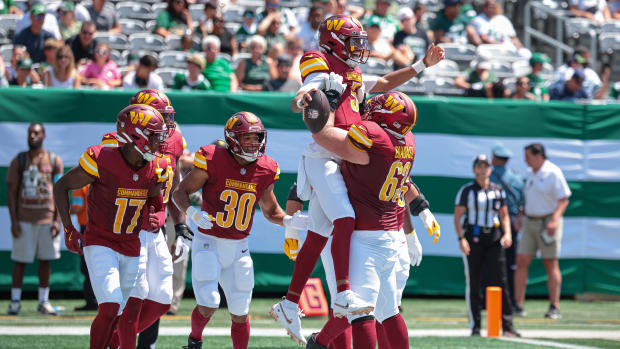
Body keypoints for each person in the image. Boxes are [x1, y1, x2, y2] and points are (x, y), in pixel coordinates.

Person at [270, 14, 444, 345]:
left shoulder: (352, 74)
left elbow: (383, 82)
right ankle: (335, 291)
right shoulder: (317, 60)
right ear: (334, 43)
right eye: (353, 42)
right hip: (326, 154)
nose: (359, 50)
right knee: (344, 221)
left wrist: (421, 65)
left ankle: (291, 303)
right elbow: (308, 90)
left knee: (321, 231)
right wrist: (301, 100)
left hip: (342, 156)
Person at [302, 91, 427, 348]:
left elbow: (323, 136)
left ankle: (320, 342)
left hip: (365, 237)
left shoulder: (375, 137)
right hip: (392, 236)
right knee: (389, 311)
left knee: (361, 311)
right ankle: (321, 341)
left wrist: (329, 107)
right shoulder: (409, 141)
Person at [173, 111, 308, 349]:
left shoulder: (265, 168)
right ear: (233, 138)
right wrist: (192, 213)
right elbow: (179, 192)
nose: (254, 143)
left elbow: (270, 210)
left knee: (240, 310)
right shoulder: (213, 158)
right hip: (209, 242)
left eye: (257, 137)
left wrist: (288, 221)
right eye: (247, 138)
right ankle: (194, 341)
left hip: (239, 248)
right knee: (209, 301)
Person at [53, 104, 169, 349]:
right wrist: (68, 228)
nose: (158, 142)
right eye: (153, 135)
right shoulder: (102, 157)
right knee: (111, 306)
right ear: (134, 135)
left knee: (119, 313)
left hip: (131, 245)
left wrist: (157, 215)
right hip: (100, 241)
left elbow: (157, 203)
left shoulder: (156, 166)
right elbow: (61, 186)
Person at [103, 89, 188, 349]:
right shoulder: (115, 142)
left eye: (165, 117)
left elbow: (173, 187)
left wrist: (181, 225)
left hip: (157, 226)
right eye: (159, 117)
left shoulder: (174, 138)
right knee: (133, 299)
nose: (165, 125)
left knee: (161, 297)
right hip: (129, 228)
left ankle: (115, 340)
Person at [453, 154, 520, 337]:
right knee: (474, 282)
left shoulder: (498, 190)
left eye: (486, 166)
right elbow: (458, 216)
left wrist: (507, 233)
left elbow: (504, 215)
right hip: (473, 238)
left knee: (500, 281)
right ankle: (475, 326)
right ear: (475, 169)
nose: (483, 170)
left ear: (490, 169)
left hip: (494, 238)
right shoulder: (467, 191)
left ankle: (507, 326)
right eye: (480, 166)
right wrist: (461, 238)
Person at [6, 122, 63, 316]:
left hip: (47, 218)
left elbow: (60, 192)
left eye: (36, 133)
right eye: (30, 133)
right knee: (20, 261)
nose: (32, 136)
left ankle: (43, 301)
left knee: (46, 261)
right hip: (24, 219)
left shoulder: (54, 160)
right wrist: (13, 220)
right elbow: (11, 193)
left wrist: (58, 220)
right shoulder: (19, 160)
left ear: (44, 135)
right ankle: (14, 302)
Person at [514, 143, 571, 320]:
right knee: (522, 260)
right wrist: (521, 216)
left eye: (528, 156)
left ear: (538, 155)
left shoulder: (553, 172)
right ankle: (518, 304)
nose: (525, 160)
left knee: (550, 262)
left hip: (548, 221)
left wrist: (554, 220)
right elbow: (530, 199)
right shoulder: (531, 173)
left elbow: (564, 199)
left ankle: (554, 306)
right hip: (530, 221)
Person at [489, 143, 524, 310]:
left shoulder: (489, 177)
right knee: (510, 264)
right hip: (511, 221)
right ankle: (510, 302)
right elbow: (523, 201)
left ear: (495, 158)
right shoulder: (516, 178)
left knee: (489, 262)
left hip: (492, 223)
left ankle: (487, 301)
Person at [71, 184, 98, 311]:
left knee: (87, 268)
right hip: (103, 228)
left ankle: (91, 301)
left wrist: (63, 208)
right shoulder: (101, 181)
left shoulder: (79, 186)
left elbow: (77, 207)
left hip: (86, 229)